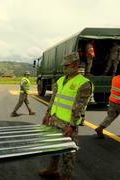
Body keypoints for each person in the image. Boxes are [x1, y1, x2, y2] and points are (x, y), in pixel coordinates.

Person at [38, 52, 93, 180]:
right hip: (55, 120)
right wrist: (47, 115)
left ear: (76, 64)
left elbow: (80, 107)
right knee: (54, 146)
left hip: (68, 124)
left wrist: (73, 126)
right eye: (64, 66)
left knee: (68, 151)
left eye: (67, 65)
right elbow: (53, 100)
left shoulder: (83, 83)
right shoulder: (61, 80)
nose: (64, 68)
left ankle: (66, 176)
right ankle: (53, 169)